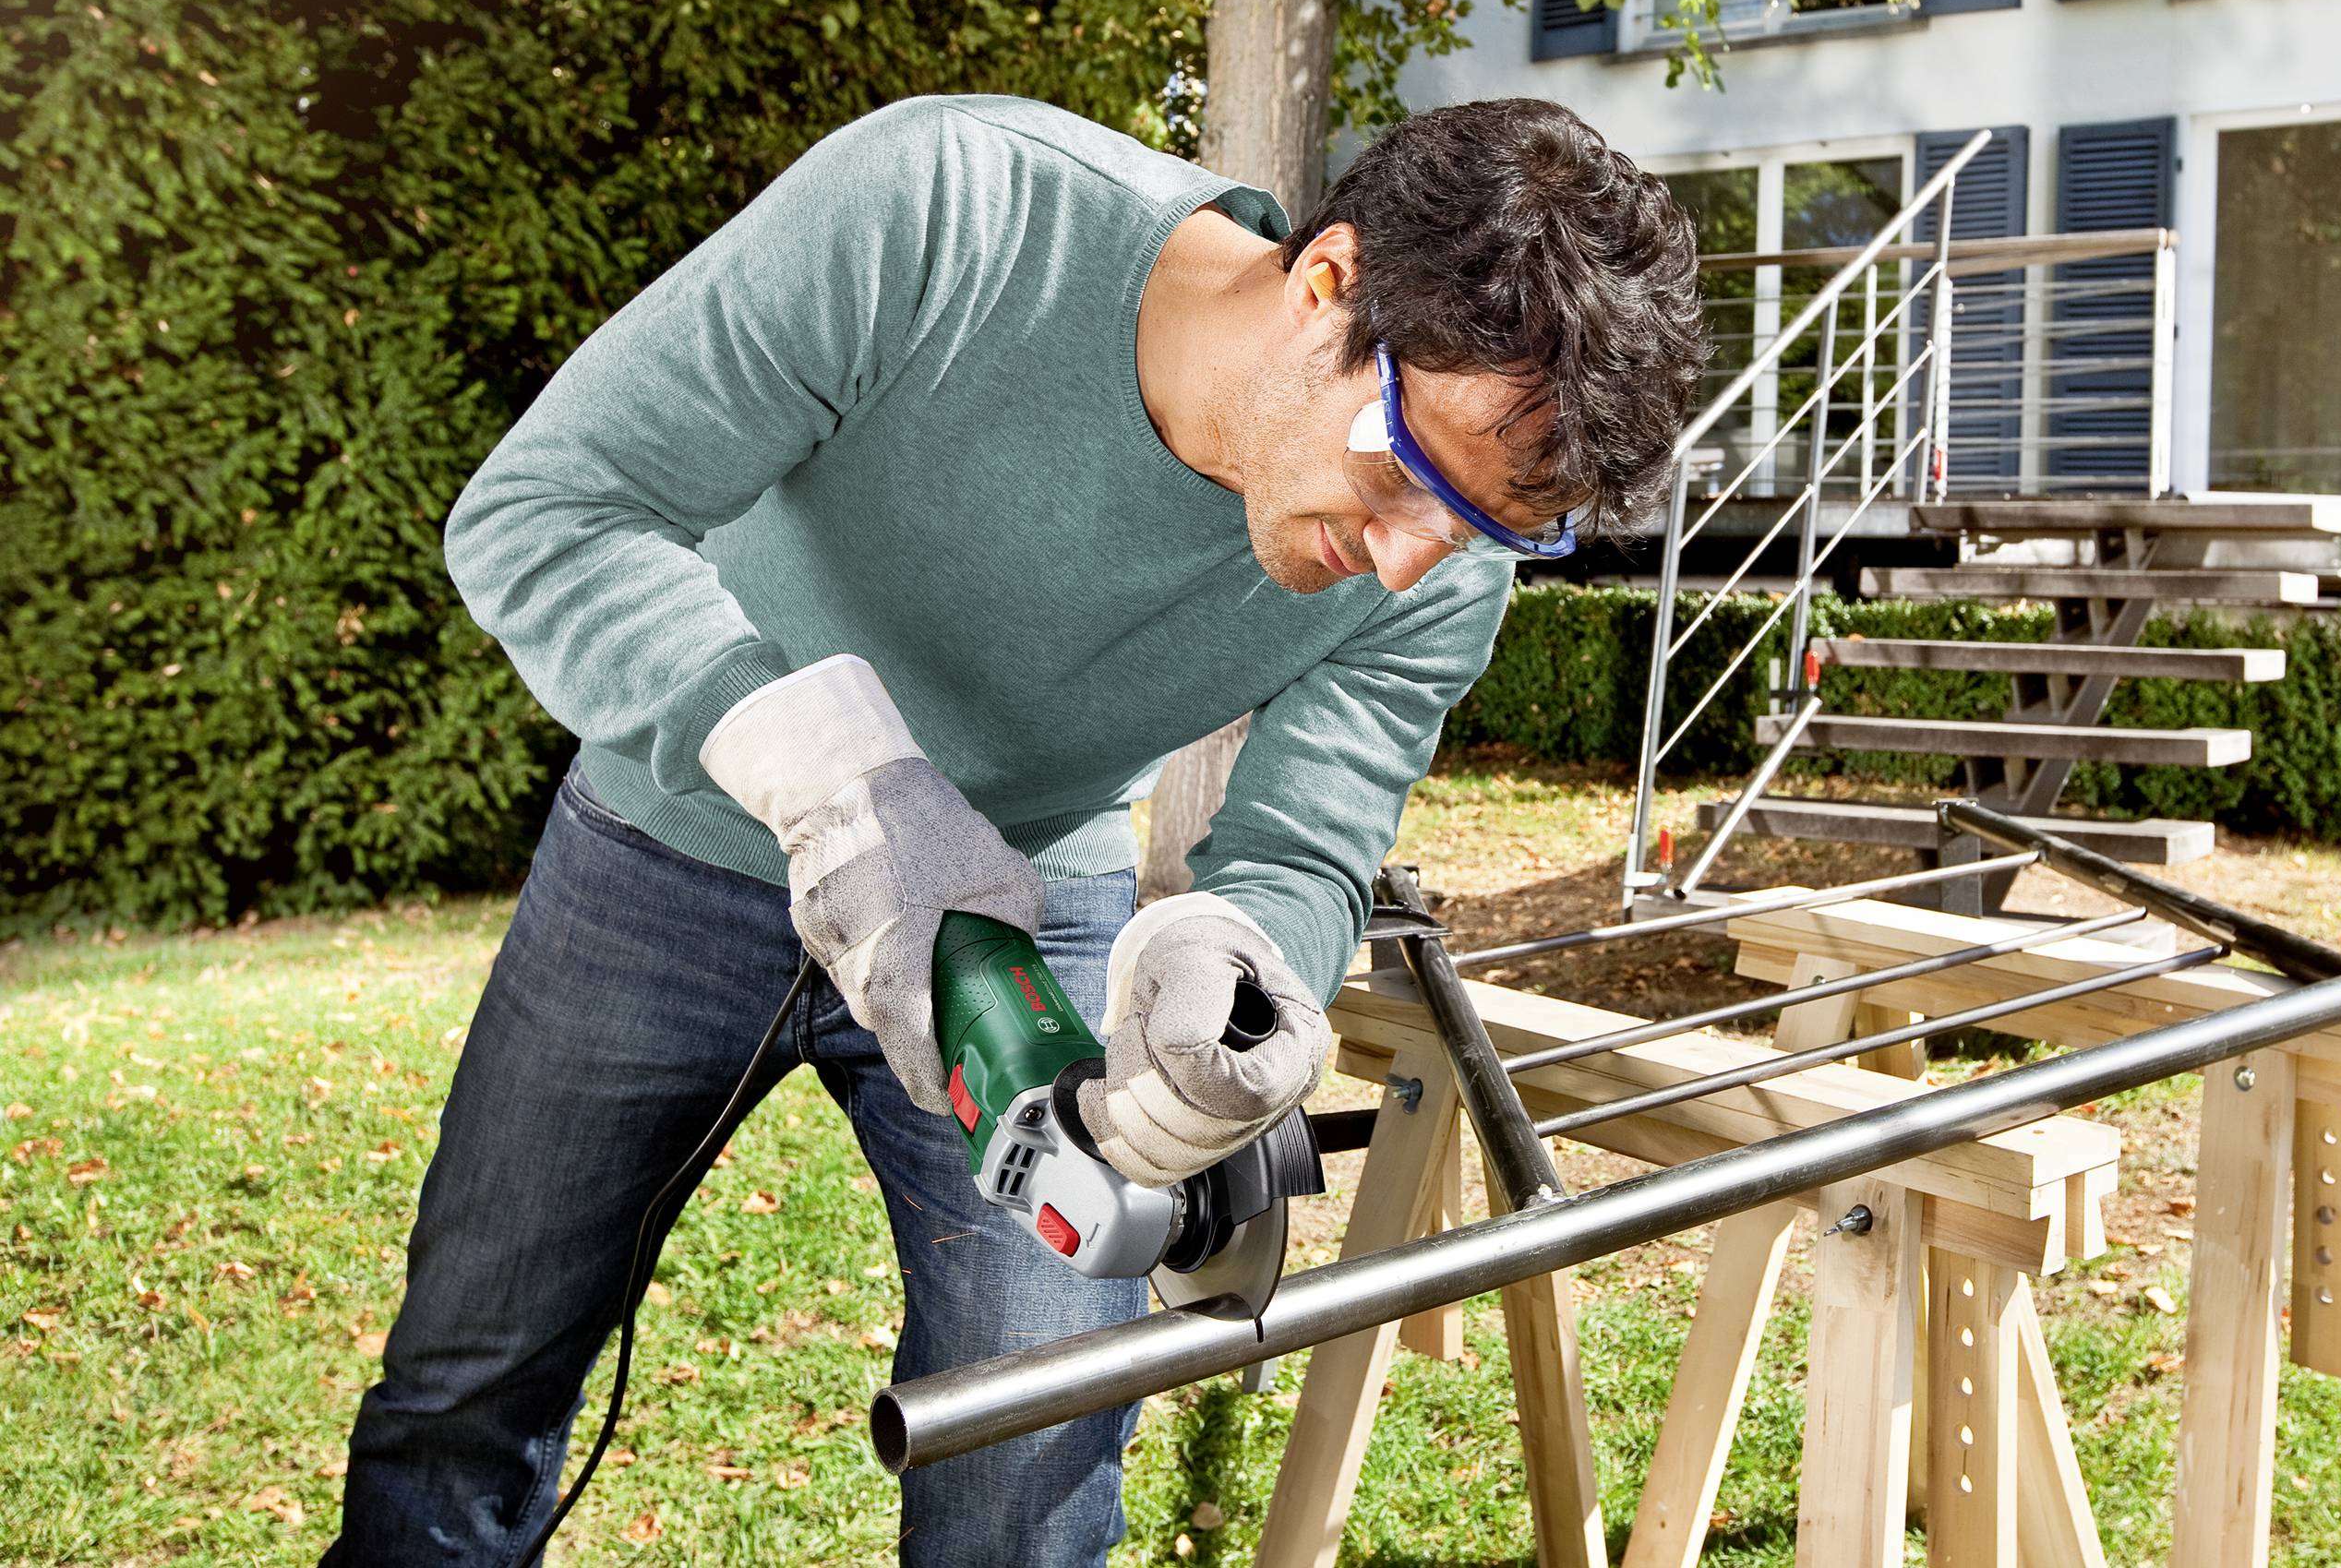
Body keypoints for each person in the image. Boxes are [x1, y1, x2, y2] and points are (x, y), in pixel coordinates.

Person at [319, 92, 1705, 1563]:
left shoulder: (1437, 572)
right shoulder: (950, 210)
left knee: (1041, 1429)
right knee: (473, 1378)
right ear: (1325, 288)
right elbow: (548, 510)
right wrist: (836, 785)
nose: (1410, 560)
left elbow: (1303, 848)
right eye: (1401, 477)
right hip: (669, 850)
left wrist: (1234, 961)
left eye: (1481, 528)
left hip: (1029, 892)